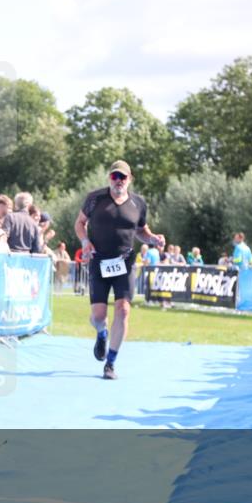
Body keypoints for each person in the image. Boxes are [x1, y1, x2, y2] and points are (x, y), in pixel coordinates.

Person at [74, 160, 164, 380]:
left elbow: (142, 231)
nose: (119, 181)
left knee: (123, 310)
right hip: (99, 262)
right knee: (98, 316)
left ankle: (110, 363)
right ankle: (101, 333)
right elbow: (79, 223)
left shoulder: (138, 204)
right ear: (109, 178)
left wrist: (152, 238)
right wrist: (85, 242)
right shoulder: (95, 198)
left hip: (124, 263)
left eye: (122, 177)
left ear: (130, 179)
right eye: (115, 176)